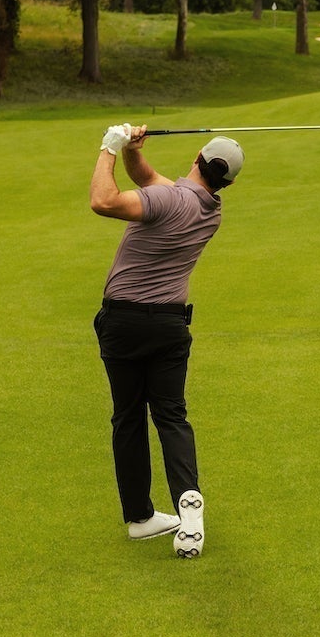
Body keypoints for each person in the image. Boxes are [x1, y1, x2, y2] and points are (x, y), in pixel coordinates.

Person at [89, 122, 243, 559]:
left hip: (124, 323)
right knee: (172, 416)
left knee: (129, 418)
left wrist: (109, 148)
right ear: (227, 183)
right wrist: (136, 152)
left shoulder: (168, 200)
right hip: (171, 327)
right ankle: (186, 498)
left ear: (196, 157)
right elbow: (150, 184)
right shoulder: (209, 209)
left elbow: (103, 200)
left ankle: (141, 518)